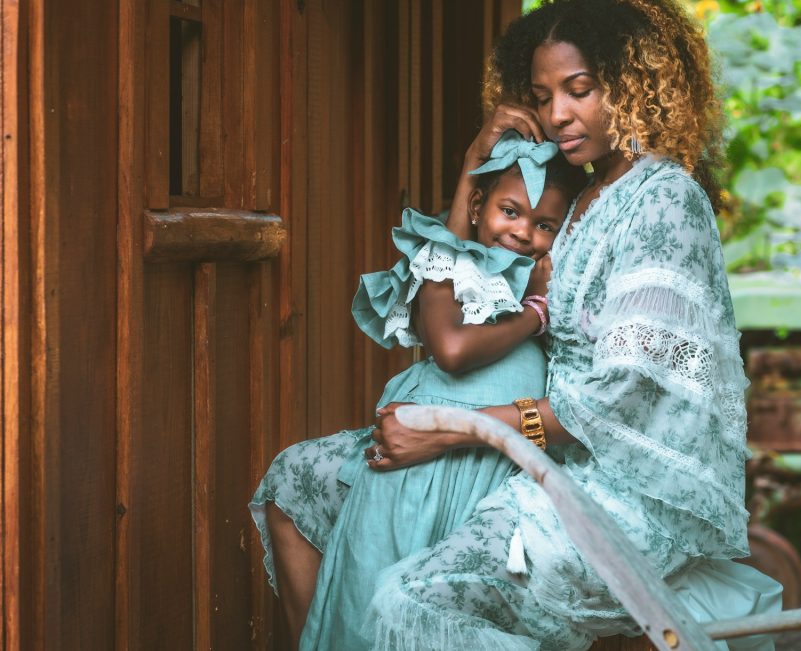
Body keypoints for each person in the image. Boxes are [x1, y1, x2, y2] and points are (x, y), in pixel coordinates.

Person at [362, 0, 783, 650]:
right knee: (321, 494)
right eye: (542, 97)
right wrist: (475, 167)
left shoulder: (662, 199)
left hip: (630, 500)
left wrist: (454, 428)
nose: (557, 113)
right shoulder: (583, 199)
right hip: (557, 468)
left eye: (579, 89)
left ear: (636, 82)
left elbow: (619, 401)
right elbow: (464, 303)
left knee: (405, 601)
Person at [249, 133, 586, 649]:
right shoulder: (462, 268)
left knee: (427, 597)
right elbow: (450, 350)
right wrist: (533, 313)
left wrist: (542, 301)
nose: (523, 233)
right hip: (425, 443)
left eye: (544, 225)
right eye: (510, 212)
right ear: (477, 207)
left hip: (494, 456)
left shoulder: (555, 276)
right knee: (365, 560)